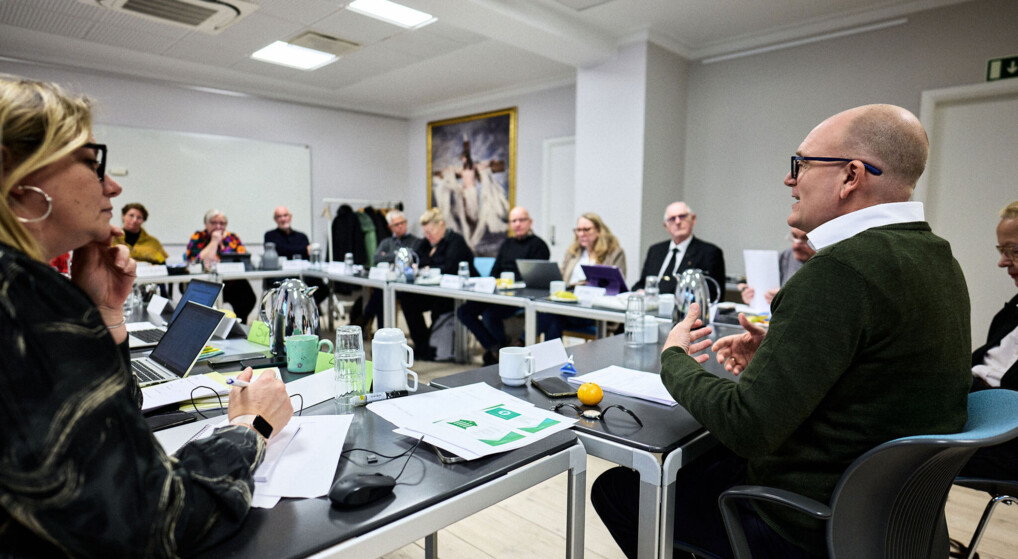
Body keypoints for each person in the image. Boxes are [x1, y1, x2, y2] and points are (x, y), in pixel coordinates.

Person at [592, 104, 972, 558]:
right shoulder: (939, 259)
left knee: (618, 490)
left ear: (851, 176)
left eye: (802, 164)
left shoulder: (840, 270)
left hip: (806, 523)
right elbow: (880, 374)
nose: (790, 179)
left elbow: (746, 426)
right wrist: (782, 351)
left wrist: (673, 357)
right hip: (891, 520)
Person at [0, 75, 292, 555]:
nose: (113, 185)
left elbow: (104, 422)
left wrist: (103, 314)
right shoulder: (22, 299)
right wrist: (251, 427)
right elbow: (153, 522)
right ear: (12, 173)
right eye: (91, 163)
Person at [962, 200, 1018, 479]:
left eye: (1014, 251)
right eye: (1002, 251)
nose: (1002, 262)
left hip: (1004, 443)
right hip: (976, 416)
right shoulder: (1010, 313)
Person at [457, 206, 550, 365]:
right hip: (498, 293)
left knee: (489, 315)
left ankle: (498, 352)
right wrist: (495, 282)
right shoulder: (507, 244)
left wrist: (510, 283)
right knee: (464, 311)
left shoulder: (539, 245)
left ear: (530, 222)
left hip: (519, 296)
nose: (517, 224)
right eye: (514, 221)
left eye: (521, 220)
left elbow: (535, 278)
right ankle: (496, 348)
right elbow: (495, 271)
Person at [400, 208, 476, 360]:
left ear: (441, 225)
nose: (428, 236)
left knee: (439, 307)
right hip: (434, 291)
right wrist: (430, 265)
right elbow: (416, 260)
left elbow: (450, 267)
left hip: (456, 293)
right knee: (407, 299)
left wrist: (428, 266)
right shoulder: (427, 242)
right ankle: (422, 345)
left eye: (431, 231)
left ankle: (430, 347)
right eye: (425, 233)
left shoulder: (456, 241)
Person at [538, 212, 626, 341]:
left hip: (594, 308)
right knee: (552, 318)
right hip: (569, 304)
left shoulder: (614, 253)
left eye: (586, 229)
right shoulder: (573, 252)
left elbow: (617, 284)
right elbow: (562, 277)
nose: (581, 234)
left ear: (599, 230)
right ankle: (536, 348)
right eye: (578, 230)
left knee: (550, 316)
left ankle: (522, 343)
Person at [631, 201, 725, 301]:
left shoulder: (709, 252)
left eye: (682, 216)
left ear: (693, 219)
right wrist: (640, 292)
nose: (677, 222)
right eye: (672, 219)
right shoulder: (655, 251)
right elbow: (641, 284)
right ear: (666, 226)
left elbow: (713, 295)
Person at [184, 209, 257, 322]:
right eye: (214, 223)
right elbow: (196, 262)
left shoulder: (232, 237)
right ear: (206, 224)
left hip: (230, 281)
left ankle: (238, 324)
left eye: (222, 223)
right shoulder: (198, 237)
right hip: (204, 281)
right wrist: (214, 241)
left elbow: (243, 259)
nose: (218, 226)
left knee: (248, 298)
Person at [358, 210, 421, 331]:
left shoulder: (415, 241)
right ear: (390, 227)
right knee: (381, 293)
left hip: (406, 286)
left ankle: (366, 318)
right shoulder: (386, 242)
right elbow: (376, 258)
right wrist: (398, 254)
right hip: (388, 283)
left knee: (380, 294)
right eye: (396, 224)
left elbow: (413, 257)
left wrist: (389, 255)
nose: (400, 226)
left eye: (402, 223)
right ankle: (382, 330)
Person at [263, 205, 326, 305]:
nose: (283, 219)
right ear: (275, 219)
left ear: (290, 217)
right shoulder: (270, 236)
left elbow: (306, 256)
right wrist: (303, 250)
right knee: (290, 288)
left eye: (285, 215)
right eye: (279, 216)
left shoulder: (301, 236)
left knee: (321, 286)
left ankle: (310, 308)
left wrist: (299, 251)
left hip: (301, 275)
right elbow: (280, 250)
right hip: (281, 276)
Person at [738, 227, 815, 306]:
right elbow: (742, 284)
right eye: (794, 236)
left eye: (805, 239)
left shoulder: (822, 263)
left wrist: (790, 298)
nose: (796, 246)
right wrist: (747, 292)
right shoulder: (786, 256)